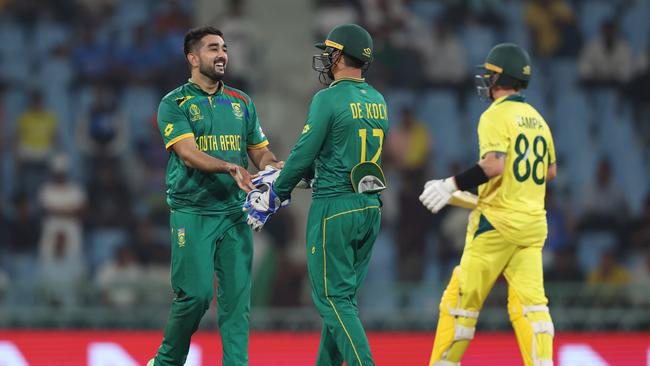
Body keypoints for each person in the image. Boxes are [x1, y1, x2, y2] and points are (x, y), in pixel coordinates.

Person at [245, 24, 388, 366]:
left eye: (330, 51)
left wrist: (274, 193)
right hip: (370, 207)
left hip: (335, 208)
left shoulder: (328, 98)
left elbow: (305, 153)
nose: (325, 57)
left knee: (332, 300)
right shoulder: (378, 100)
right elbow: (340, 154)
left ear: (340, 55)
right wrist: (305, 175)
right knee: (343, 303)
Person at [148, 26, 282, 366]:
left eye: (223, 48)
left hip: (235, 214)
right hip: (193, 212)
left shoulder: (242, 102)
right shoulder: (174, 103)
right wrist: (230, 168)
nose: (222, 54)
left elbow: (260, 152)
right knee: (195, 296)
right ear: (193, 58)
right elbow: (188, 153)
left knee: (237, 303)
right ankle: (165, 362)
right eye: (212, 49)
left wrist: (273, 168)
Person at [419, 43, 557, 366]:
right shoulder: (538, 119)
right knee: (532, 308)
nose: (486, 79)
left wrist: (450, 185)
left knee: (460, 301)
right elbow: (549, 172)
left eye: (490, 73)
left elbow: (494, 165)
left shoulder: (495, 114)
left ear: (500, 77)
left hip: (496, 225)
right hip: (532, 226)